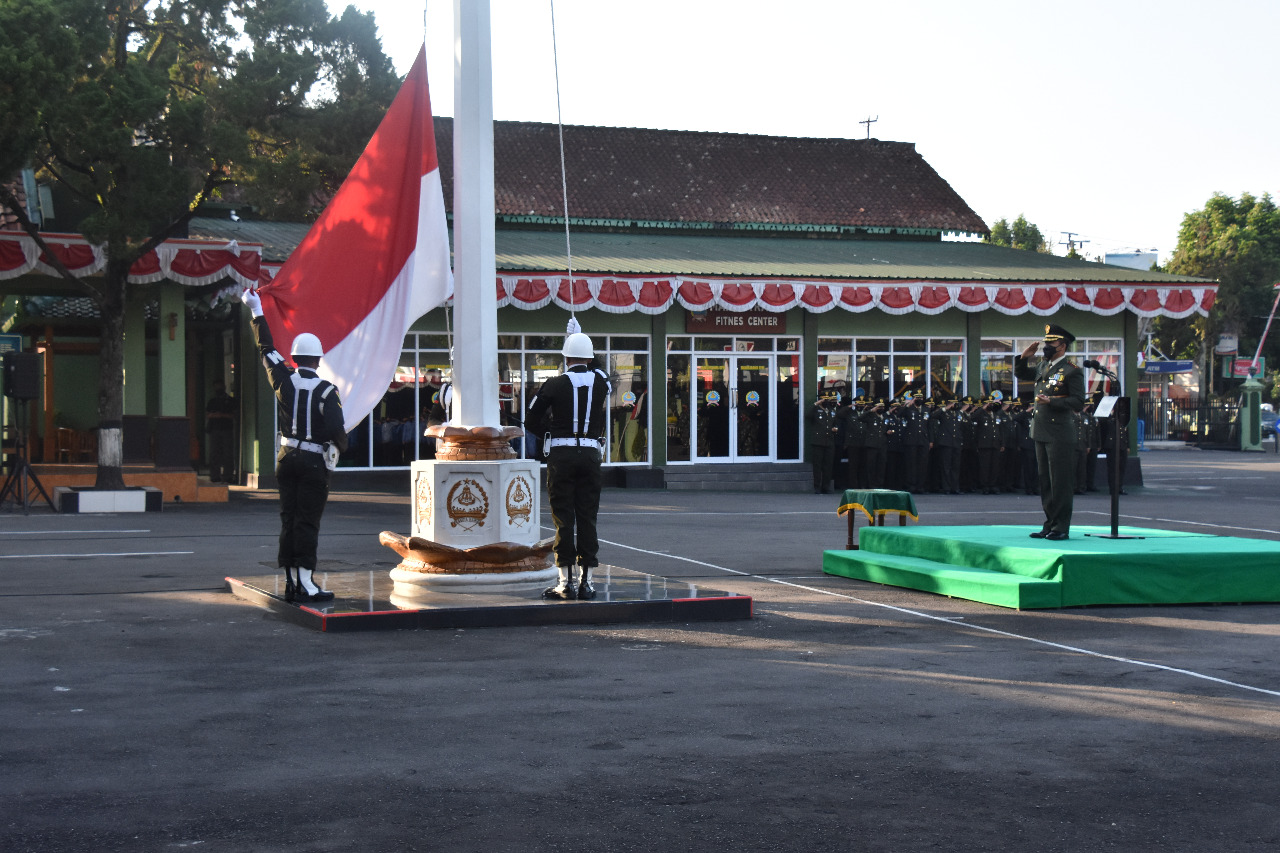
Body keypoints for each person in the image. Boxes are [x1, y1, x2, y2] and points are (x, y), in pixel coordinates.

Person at [241, 288, 348, 602]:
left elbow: (266, 348)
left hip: (285, 457)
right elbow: (336, 430)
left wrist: (256, 310)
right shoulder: (327, 391)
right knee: (307, 522)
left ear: (296, 358)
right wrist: (341, 446)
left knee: (288, 519)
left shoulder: (283, 380)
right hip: (314, 463)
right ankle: (307, 584)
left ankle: (290, 580)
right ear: (318, 359)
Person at [528, 326, 611, 600]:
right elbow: (600, 370)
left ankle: (565, 583)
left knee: (563, 518)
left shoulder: (554, 384)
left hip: (561, 456)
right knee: (587, 516)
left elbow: (531, 419)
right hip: (590, 455)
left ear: (565, 358)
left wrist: (550, 433)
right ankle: (588, 582)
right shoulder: (601, 382)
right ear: (589, 357)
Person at [1014, 324, 1086, 540]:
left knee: (1060, 482)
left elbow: (1078, 402)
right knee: (1045, 480)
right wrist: (1024, 357)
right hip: (1041, 430)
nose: (1046, 346)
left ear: (1062, 346)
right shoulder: (1043, 365)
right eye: (1045, 342)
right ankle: (1049, 523)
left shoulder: (1072, 370)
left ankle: (1061, 526)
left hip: (1059, 432)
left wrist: (1052, 401)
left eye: (1051, 343)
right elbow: (1021, 374)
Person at [205, 379, 236, 483]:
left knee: (228, 454)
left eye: (220, 386)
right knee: (214, 453)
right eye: (216, 387)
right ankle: (215, 476)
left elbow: (234, 415)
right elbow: (208, 414)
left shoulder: (230, 401)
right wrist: (215, 415)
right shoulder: (212, 401)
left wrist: (221, 415)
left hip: (227, 429)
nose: (218, 389)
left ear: (224, 387)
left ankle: (228, 476)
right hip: (214, 430)